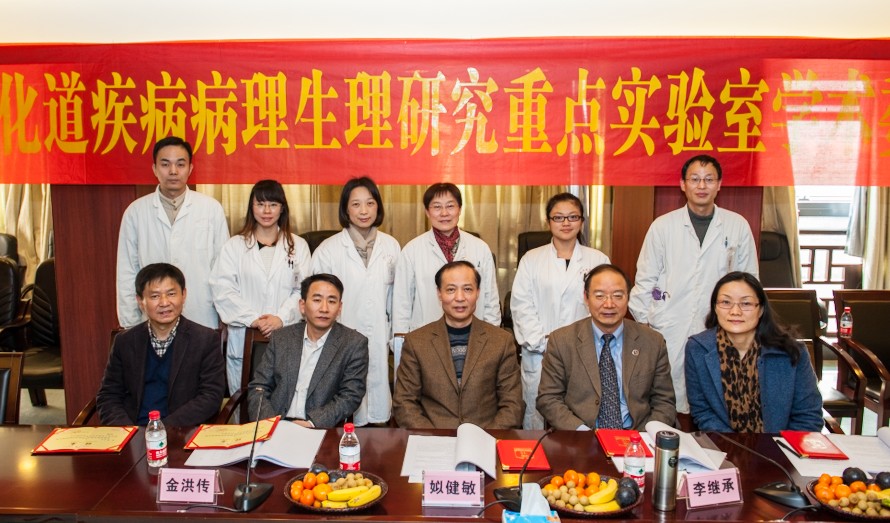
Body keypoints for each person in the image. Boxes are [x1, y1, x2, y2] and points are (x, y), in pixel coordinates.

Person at [628, 154, 757, 414]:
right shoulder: (663, 226)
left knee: (715, 394)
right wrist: (646, 323)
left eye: (709, 179)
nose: (701, 185)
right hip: (669, 324)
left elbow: (750, 282)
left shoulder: (737, 225)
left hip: (720, 324)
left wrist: (743, 323)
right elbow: (645, 280)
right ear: (683, 184)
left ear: (719, 184)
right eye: (695, 179)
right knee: (667, 396)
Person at [511, 192, 610, 429]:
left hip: (585, 352)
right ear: (548, 222)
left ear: (582, 221)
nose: (566, 223)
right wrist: (544, 344)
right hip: (539, 352)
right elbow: (521, 306)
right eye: (558, 217)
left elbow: (603, 307)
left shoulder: (598, 260)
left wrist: (576, 346)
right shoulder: (531, 259)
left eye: (572, 217)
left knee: (580, 417)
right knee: (537, 421)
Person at [537, 264, 676, 431]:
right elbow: (548, 399)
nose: (609, 304)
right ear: (586, 298)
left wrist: (643, 437)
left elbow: (664, 402)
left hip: (637, 436)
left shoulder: (652, 342)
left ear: (628, 297)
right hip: (583, 435)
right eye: (599, 296)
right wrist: (583, 433)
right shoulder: (561, 341)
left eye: (617, 296)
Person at [311, 176, 400, 426]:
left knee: (378, 414)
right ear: (346, 209)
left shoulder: (391, 247)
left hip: (379, 336)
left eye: (370, 203)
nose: (363, 211)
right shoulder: (328, 250)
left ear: (378, 207)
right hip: (340, 337)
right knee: (344, 408)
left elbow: (397, 299)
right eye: (356, 204)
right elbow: (314, 300)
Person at [685, 272, 823, 432]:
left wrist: (780, 445)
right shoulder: (697, 348)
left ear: (761, 309)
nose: (735, 311)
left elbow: (808, 415)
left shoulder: (791, 351)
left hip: (781, 444)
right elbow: (702, 411)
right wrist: (733, 444)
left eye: (746, 303)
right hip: (724, 443)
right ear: (715, 307)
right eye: (726, 302)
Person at [209, 180, 312, 395]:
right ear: (251, 207)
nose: (266, 211)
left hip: (286, 334)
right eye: (260, 204)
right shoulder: (234, 246)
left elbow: (303, 291)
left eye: (273, 204)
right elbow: (223, 290)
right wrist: (253, 319)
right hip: (244, 337)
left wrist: (280, 318)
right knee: (245, 403)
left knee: (284, 400)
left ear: (282, 208)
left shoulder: (298, 246)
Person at [116, 136, 229, 330]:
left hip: (201, 313)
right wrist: (129, 323)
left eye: (180, 164)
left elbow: (223, 269)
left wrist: (224, 316)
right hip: (152, 317)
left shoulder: (211, 209)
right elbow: (127, 271)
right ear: (155, 169)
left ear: (190, 169)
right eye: (165, 164)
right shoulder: (135, 212)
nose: (173, 171)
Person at [393, 261, 523, 429]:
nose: (460, 298)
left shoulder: (501, 341)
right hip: (432, 437)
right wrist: (435, 438)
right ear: (439, 293)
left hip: (486, 436)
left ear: (478, 293)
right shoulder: (416, 342)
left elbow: (512, 405)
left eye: (467, 289)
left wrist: (485, 438)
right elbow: (404, 403)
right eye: (451, 290)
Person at [96, 263, 226, 426]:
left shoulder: (205, 340)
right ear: (140, 301)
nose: (164, 303)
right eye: (155, 296)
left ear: (183, 295)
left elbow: (211, 396)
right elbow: (108, 396)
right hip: (133, 430)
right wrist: (128, 431)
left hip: (181, 431)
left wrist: (161, 429)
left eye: (171, 294)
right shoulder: (125, 342)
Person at [392, 183, 500, 369]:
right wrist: (402, 344)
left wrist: (493, 340)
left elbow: (491, 300)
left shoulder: (480, 248)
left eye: (450, 206)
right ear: (427, 212)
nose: (444, 213)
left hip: (475, 339)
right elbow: (402, 303)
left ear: (460, 209)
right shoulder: (412, 250)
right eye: (437, 207)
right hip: (425, 341)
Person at [247, 274, 369, 429]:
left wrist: (312, 423)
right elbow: (259, 387)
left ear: (339, 308)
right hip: (275, 424)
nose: (324, 308)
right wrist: (271, 424)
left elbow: (350, 396)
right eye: (317, 300)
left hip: (318, 427)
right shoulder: (282, 338)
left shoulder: (354, 343)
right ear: (302, 306)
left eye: (331, 301)